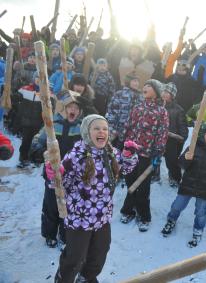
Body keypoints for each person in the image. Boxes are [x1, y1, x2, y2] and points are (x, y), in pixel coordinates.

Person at [47, 114, 139, 283]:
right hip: (79, 218)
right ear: (87, 132)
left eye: (105, 128)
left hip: (102, 216)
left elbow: (124, 169)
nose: (101, 131)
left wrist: (128, 155)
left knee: (100, 252)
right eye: (96, 128)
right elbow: (60, 183)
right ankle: (63, 280)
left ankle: (86, 278)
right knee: (75, 257)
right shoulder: (76, 154)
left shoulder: (111, 152)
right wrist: (55, 174)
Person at [30, 91, 82, 248]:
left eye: (76, 108)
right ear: (63, 109)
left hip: (72, 175)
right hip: (52, 173)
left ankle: (65, 232)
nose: (73, 110)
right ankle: (50, 233)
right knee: (51, 203)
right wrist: (39, 150)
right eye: (70, 107)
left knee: (69, 205)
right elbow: (37, 139)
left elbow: (88, 147)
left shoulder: (81, 128)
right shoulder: (53, 124)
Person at [161, 122, 206, 247]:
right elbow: (181, 164)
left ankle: (198, 230)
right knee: (177, 206)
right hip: (188, 185)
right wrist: (186, 158)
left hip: (204, 189)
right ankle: (171, 220)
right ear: (202, 135)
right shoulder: (192, 148)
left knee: (201, 212)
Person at [120, 79, 169, 232]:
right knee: (130, 181)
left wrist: (158, 152)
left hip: (147, 154)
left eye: (149, 86)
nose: (145, 87)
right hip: (131, 152)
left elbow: (162, 133)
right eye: (145, 85)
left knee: (142, 185)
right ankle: (128, 210)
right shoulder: (137, 107)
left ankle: (144, 215)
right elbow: (129, 125)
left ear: (156, 91)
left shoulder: (161, 111)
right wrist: (124, 143)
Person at [106, 72, 142, 150]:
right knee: (111, 152)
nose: (136, 83)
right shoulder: (120, 94)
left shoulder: (140, 97)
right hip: (117, 131)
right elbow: (111, 111)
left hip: (130, 134)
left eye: (137, 81)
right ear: (128, 81)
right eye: (134, 81)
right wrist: (112, 128)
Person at [161, 82, 188, 187]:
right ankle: (155, 174)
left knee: (171, 160)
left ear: (172, 95)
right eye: (163, 91)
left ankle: (175, 177)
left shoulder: (178, 110)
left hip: (172, 140)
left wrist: (182, 137)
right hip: (158, 138)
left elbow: (182, 127)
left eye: (167, 92)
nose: (164, 94)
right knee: (154, 157)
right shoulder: (157, 106)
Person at [16, 72, 44, 168]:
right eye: (37, 77)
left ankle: (31, 158)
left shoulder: (46, 93)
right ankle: (22, 158)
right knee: (26, 140)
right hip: (26, 121)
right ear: (34, 78)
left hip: (38, 122)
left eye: (41, 78)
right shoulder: (26, 89)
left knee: (34, 141)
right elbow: (16, 97)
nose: (38, 80)